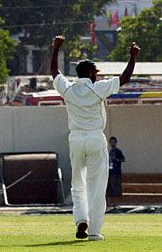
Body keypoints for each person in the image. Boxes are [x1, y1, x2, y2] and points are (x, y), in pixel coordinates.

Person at [51, 36, 140, 241]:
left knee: (77, 183)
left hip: (75, 139)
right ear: (90, 73)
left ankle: (81, 218)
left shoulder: (68, 88)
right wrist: (132, 57)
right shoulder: (98, 88)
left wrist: (56, 49)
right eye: (96, 73)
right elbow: (124, 79)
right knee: (97, 186)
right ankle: (93, 232)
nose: (97, 76)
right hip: (94, 138)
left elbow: (55, 72)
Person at [106, 136, 125, 204]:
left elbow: (123, 159)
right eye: (111, 142)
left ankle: (117, 204)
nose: (112, 144)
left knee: (116, 189)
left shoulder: (118, 151)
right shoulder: (109, 152)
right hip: (109, 173)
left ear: (116, 143)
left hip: (116, 173)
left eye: (113, 142)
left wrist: (117, 159)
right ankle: (109, 204)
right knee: (109, 189)